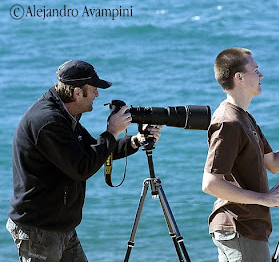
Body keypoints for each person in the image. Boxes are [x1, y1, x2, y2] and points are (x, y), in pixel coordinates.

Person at [6, 60, 162, 262]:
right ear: (77, 93)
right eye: (94, 89)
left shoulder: (64, 115)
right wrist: (112, 131)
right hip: (40, 229)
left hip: (62, 226)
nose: (97, 94)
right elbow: (82, 168)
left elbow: (93, 151)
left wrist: (135, 141)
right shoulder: (48, 121)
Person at [202, 48, 279, 262]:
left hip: (250, 228)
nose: (261, 75)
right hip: (239, 226)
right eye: (256, 70)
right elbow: (210, 183)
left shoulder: (244, 118)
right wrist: (263, 199)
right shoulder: (228, 122)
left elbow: (274, 162)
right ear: (239, 77)